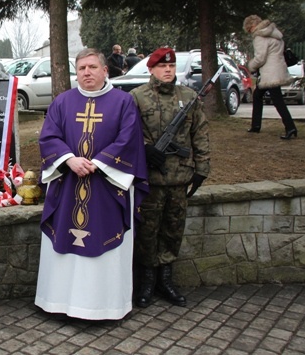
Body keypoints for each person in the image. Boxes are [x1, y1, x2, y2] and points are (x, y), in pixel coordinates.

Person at [34, 47, 149, 320]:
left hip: (108, 186)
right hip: (67, 183)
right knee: (63, 244)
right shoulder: (62, 102)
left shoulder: (123, 102)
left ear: (105, 70)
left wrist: (98, 163)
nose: (86, 72)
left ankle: (105, 307)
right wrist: (69, 160)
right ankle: (57, 303)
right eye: (82, 68)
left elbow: (129, 139)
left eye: (92, 67)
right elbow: (49, 137)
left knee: (105, 246)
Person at [129, 47, 210, 308]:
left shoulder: (189, 97)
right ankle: (147, 282)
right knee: (147, 232)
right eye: (162, 66)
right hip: (149, 180)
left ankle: (166, 280)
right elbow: (125, 133)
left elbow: (200, 133)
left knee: (173, 230)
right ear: (151, 69)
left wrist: (201, 170)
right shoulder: (136, 98)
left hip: (179, 178)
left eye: (172, 66)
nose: (168, 70)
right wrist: (144, 149)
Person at [243, 15, 297, 140]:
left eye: (249, 29)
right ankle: (256, 125)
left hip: (269, 73)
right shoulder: (275, 34)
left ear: (252, 26)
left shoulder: (260, 37)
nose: (250, 32)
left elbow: (260, 58)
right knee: (257, 95)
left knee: (277, 100)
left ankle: (290, 127)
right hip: (277, 69)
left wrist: (251, 65)